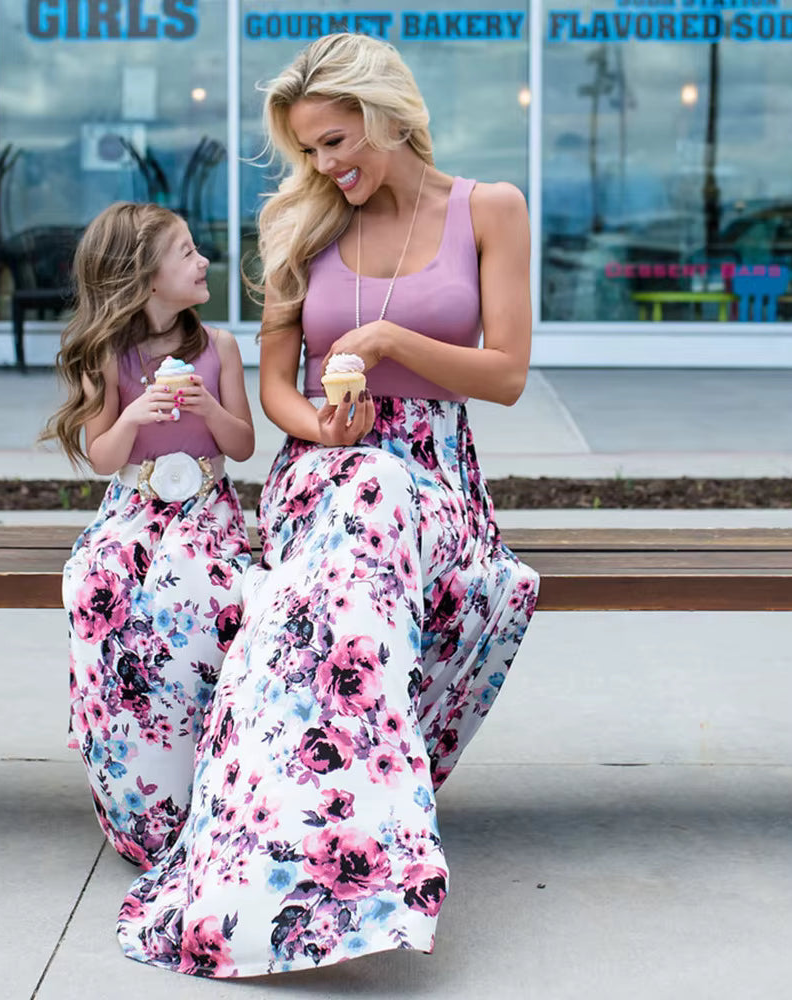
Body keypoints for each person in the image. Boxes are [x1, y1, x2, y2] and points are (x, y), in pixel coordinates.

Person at [115, 34, 540, 977]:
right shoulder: (296, 222)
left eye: (338, 140)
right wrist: (322, 422)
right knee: (361, 502)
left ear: (390, 117)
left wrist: (391, 339)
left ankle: (295, 829)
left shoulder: (490, 209)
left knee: (370, 516)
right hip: (322, 467)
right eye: (309, 148)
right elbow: (274, 388)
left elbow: (506, 374)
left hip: (434, 472)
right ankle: (324, 843)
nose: (323, 165)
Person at [41, 201, 255, 868]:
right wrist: (134, 413)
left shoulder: (218, 348)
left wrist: (209, 406)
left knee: (204, 598)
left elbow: (244, 446)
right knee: (98, 586)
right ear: (143, 275)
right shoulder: (112, 355)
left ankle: (200, 772)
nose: (203, 261)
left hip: (208, 511)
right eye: (187, 251)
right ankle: (125, 762)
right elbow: (103, 457)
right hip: (133, 507)